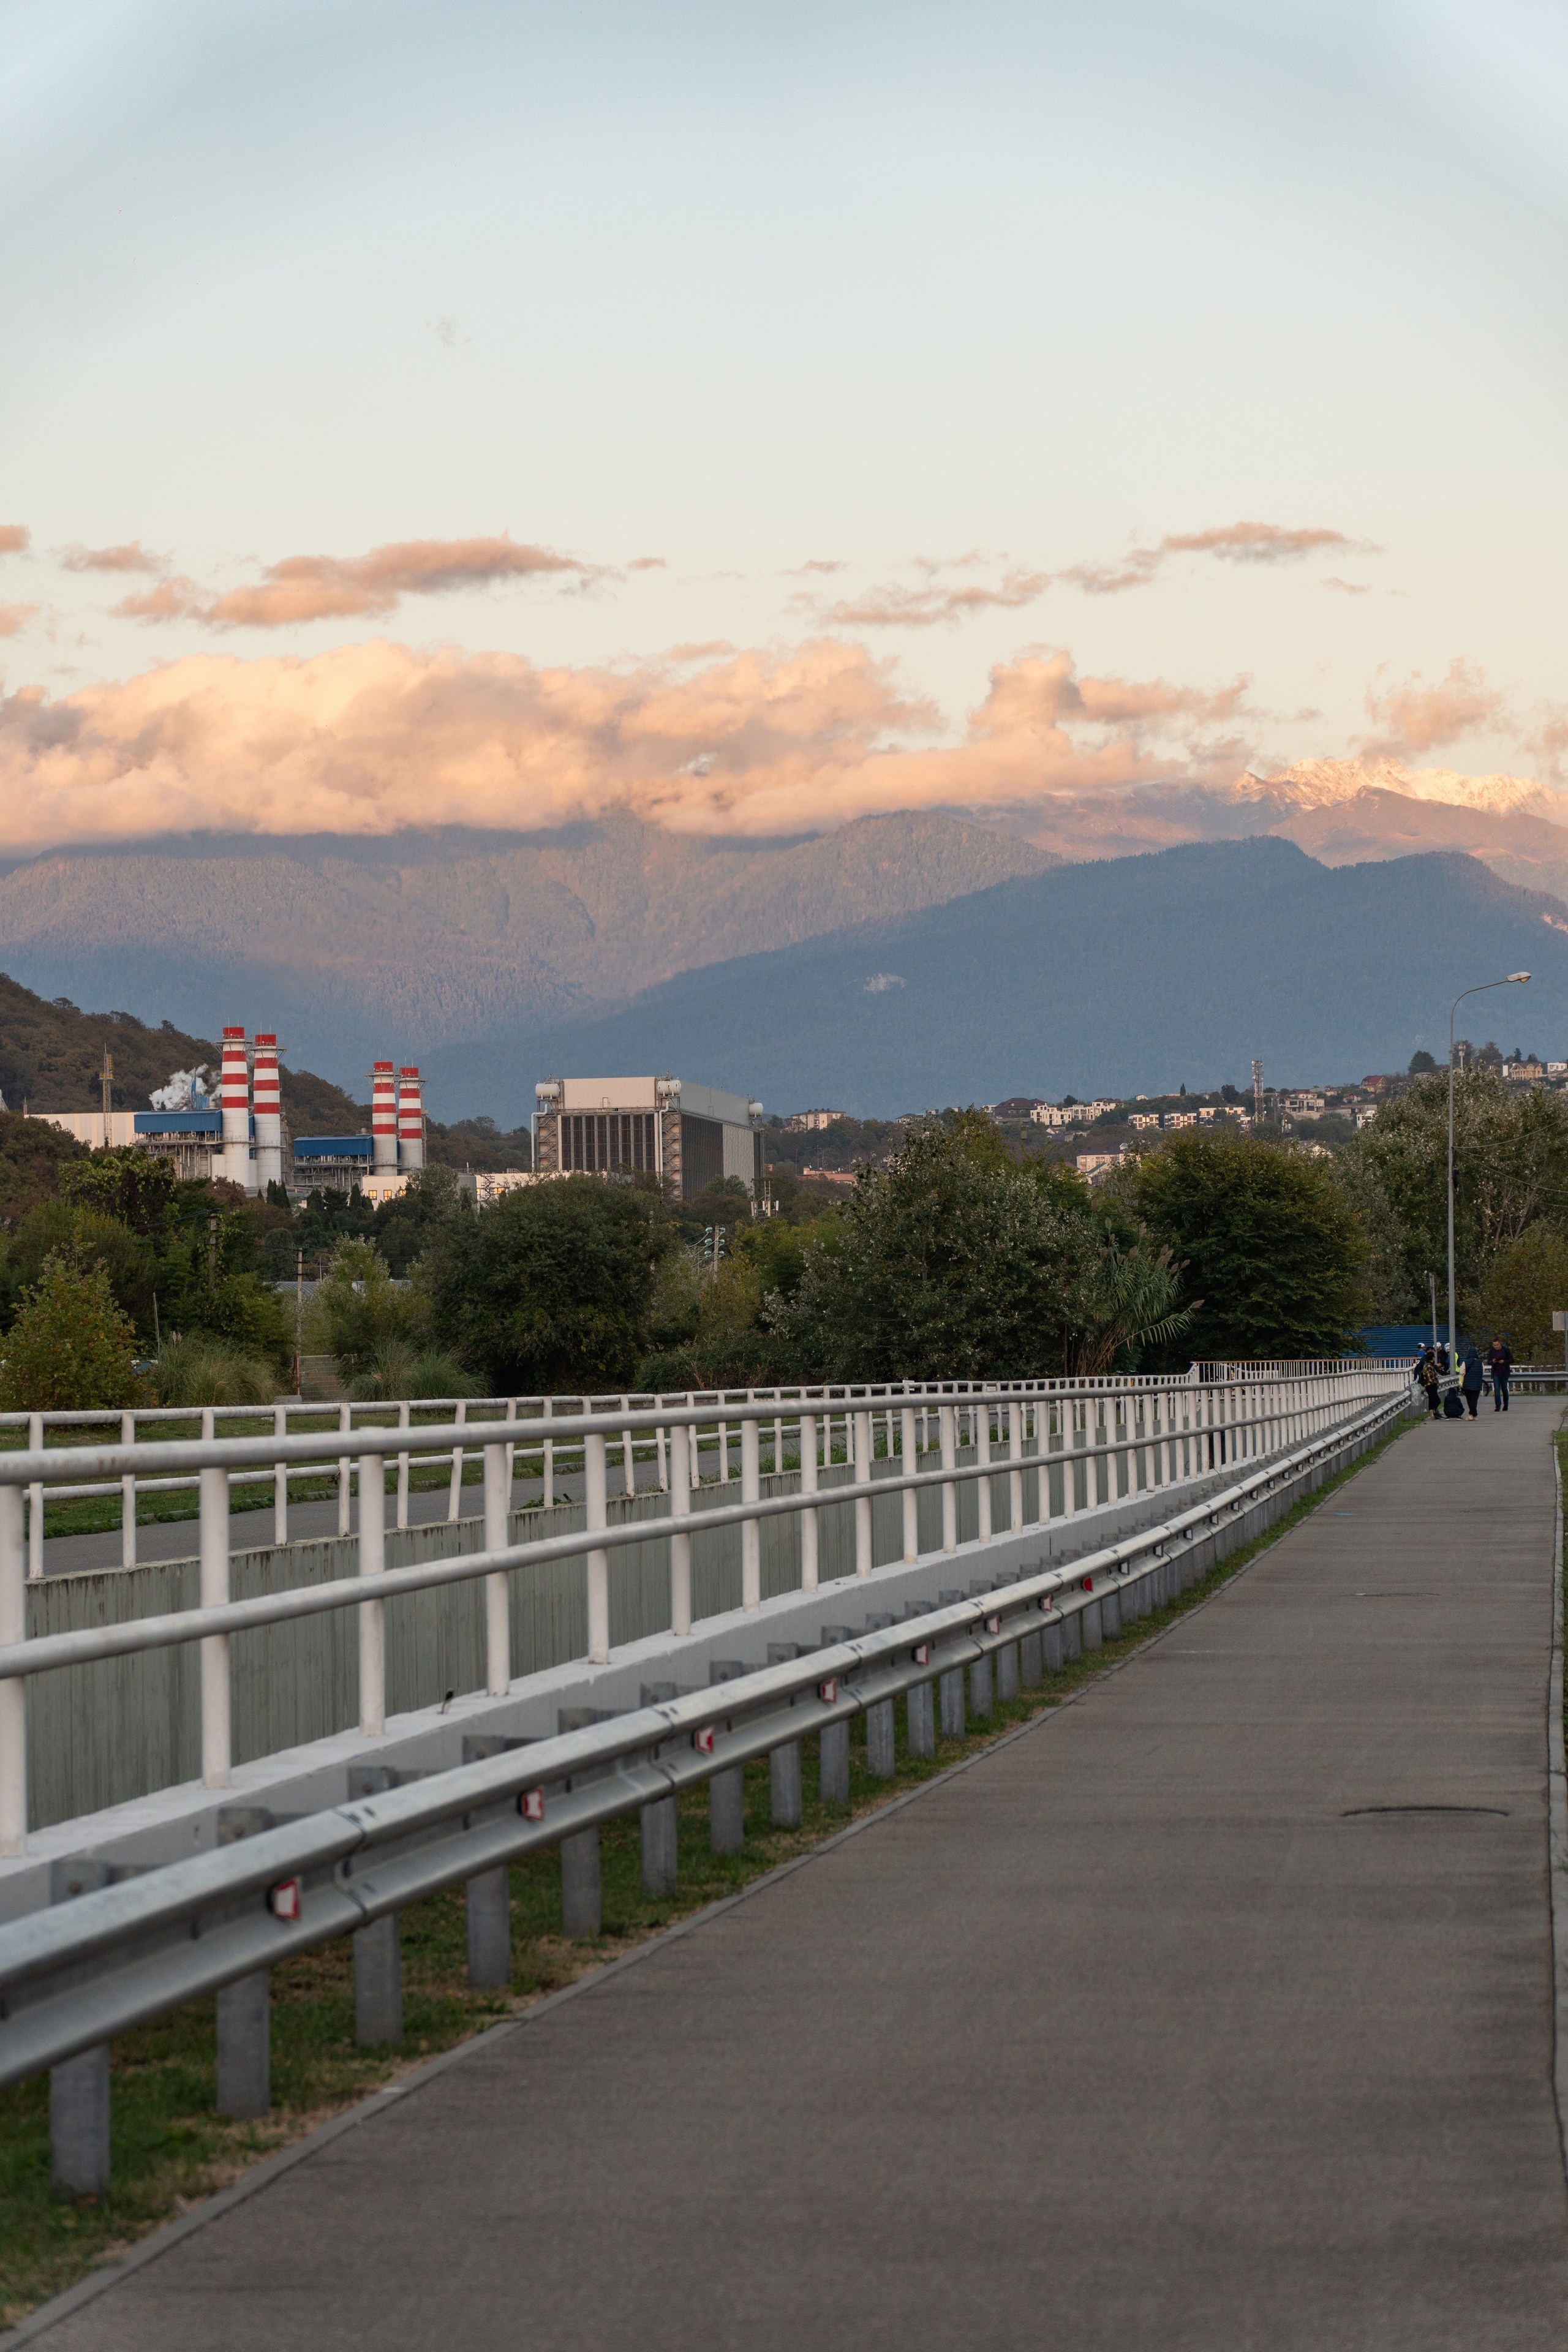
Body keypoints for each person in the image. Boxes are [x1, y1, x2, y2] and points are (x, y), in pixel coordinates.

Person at [1489, 1335, 1513, 1412]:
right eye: (1495, 1345)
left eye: (1497, 1345)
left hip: (1504, 1372)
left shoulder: (1506, 1350)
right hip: (1496, 1372)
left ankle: (1506, 1405)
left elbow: (1512, 1360)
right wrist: (1493, 1361)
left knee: (1504, 1389)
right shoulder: (1492, 1351)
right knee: (1497, 1390)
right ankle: (1498, 1406)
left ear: (1500, 1344)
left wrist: (1504, 1361)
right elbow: (1488, 1361)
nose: (1496, 1347)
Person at [1460, 1342, 1485, 1418]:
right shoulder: (1480, 1362)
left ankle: (1472, 1414)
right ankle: (1474, 1414)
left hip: (1467, 1384)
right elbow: (1483, 1371)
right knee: (1475, 1400)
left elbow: (1462, 1372)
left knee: (1469, 1400)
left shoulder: (1465, 1362)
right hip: (1477, 1384)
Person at [1416, 1345, 1442, 1417]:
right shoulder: (1429, 1366)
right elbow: (1430, 1377)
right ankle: (1433, 1410)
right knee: (1437, 1400)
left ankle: (1432, 1412)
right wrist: (1435, 1382)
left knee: (1432, 1399)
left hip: (1428, 1385)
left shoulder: (1428, 1365)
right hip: (1431, 1385)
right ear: (1432, 1358)